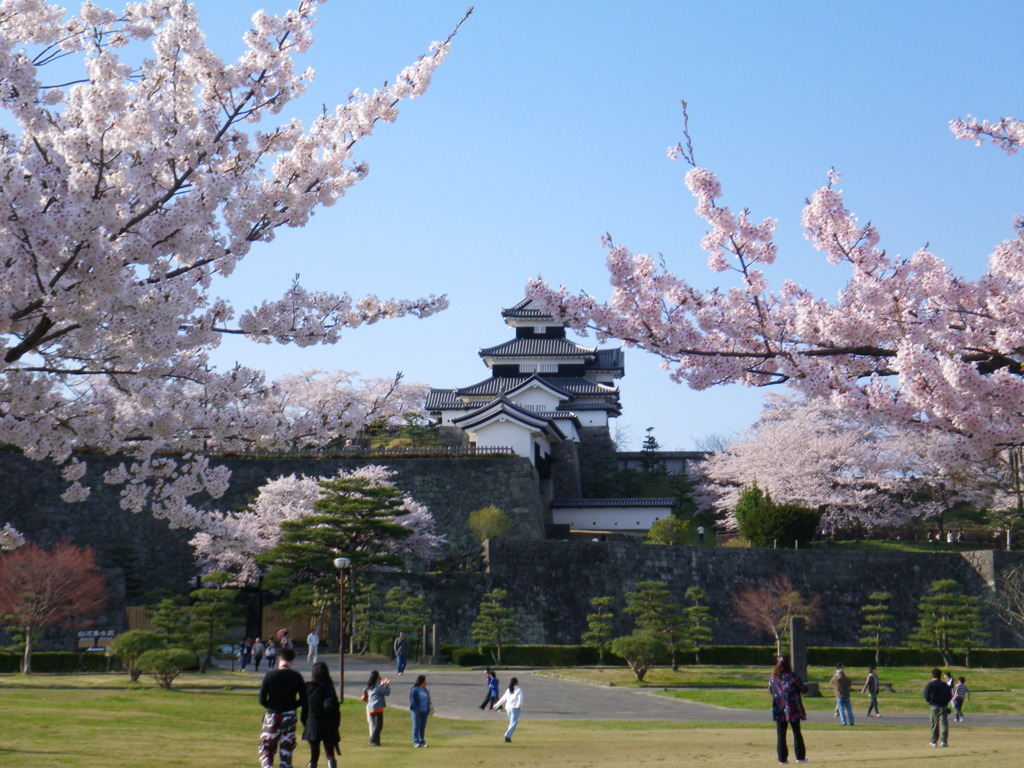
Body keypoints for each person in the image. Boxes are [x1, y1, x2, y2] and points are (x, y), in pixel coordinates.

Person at [258, 647, 307, 768]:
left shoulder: (269, 675)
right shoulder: (297, 677)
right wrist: (292, 706)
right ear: (292, 661)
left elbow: (261, 699)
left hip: (273, 715)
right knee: (287, 749)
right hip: (289, 716)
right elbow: (303, 698)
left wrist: (271, 706)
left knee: (267, 747)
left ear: (279, 659)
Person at [769, 654, 808, 765]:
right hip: (793, 708)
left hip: (779, 708)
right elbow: (803, 689)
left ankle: (782, 759)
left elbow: (771, 690)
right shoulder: (793, 677)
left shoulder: (773, 678)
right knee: (796, 732)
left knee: (781, 734)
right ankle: (800, 757)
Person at [301, 661, 340, 768]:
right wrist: (336, 725)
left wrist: (306, 723)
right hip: (328, 723)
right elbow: (335, 709)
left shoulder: (307, 687)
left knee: (314, 756)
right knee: (330, 754)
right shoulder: (328, 688)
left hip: (313, 723)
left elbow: (304, 708)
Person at [924, 668, 953, 747]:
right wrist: (946, 703)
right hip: (943, 706)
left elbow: (926, 696)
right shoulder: (945, 685)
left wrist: (930, 701)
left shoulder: (930, 684)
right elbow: (950, 695)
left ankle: (934, 741)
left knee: (934, 723)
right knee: (943, 723)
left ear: (932, 675)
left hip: (934, 705)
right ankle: (944, 741)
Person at [362, 670, 391, 746]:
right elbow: (387, 692)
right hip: (377, 707)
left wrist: (382, 684)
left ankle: (376, 741)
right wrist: (387, 685)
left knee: (375, 725)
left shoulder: (369, 686)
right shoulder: (377, 686)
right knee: (379, 725)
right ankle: (373, 740)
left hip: (370, 708)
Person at [493, 676, 523, 743]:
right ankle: (507, 735)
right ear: (516, 683)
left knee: (511, 723)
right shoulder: (518, 689)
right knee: (514, 723)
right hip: (515, 708)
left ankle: (508, 738)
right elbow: (520, 699)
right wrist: (519, 706)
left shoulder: (509, 690)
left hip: (508, 708)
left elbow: (503, 699)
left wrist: (496, 705)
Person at [409, 674, 432, 748]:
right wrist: (416, 710)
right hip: (417, 712)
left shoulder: (425, 690)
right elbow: (413, 701)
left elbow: (427, 698)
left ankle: (421, 741)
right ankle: (416, 742)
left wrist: (429, 705)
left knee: (422, 727)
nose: (426, 682)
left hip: (424, 711)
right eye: (425, 681)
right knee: (416, 726)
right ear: (422, 681)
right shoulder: (415, 690)